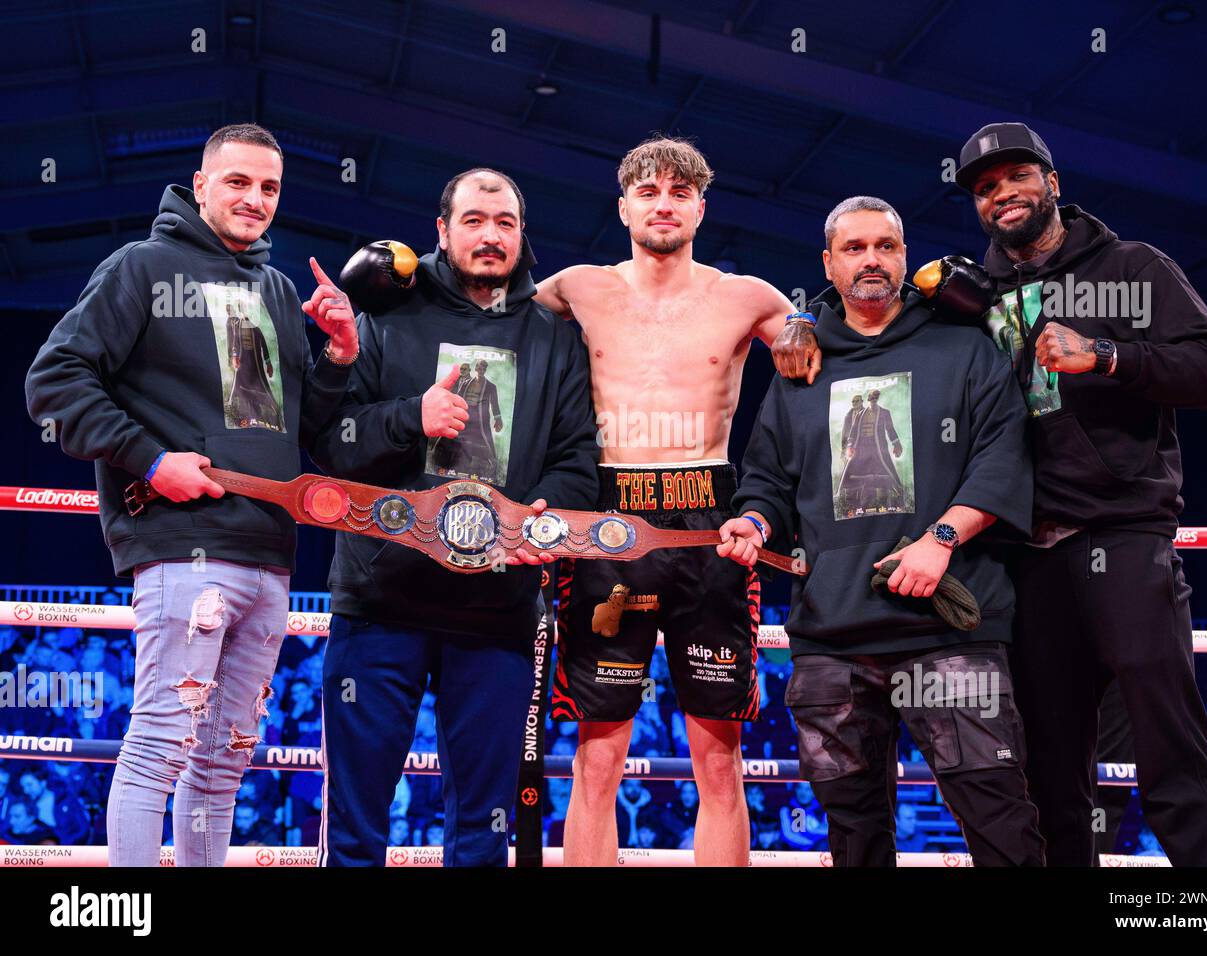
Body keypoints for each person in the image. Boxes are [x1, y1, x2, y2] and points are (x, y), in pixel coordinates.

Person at [25, 123, 358, 866]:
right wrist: (148, 460)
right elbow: (51, 382)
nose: (255, 199)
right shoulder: (142, 267)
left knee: (222, 764)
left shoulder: (275, 289)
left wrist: (335, 357)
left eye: (269, 187)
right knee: (158, 751)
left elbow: (304, 431)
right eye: (238, 182)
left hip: (270, 554)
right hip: (183, 547)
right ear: (200, 185)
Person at [718, 196, 1044, 866]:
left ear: (904, 255)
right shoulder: (799, 366)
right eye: (855, 247)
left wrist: (942, 540)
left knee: (999, 817)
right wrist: (752, 524)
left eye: (886, 246)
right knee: (855, 837)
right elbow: (768, 478)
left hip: (948, 628)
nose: (871, 259)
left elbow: (1003, 453)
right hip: (832, 638)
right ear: (828, 264)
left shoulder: (963, 347)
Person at [956, 121, 1207, 866]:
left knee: (1171, 747)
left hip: (1122, 539)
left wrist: (1110, 356)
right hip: (1025, 557)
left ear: (1052, 184)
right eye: (986, 188)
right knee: (1050, 770)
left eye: (1017, 177)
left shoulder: (1132, 267)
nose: (1002, 195)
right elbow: (867, 303)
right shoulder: (972, 295)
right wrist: (800, 318)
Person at [534, 135, 820, 867]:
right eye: (649, 192)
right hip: (607, 526)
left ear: (701, 206)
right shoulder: (578, 287)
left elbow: (825, 347)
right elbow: (488, 328)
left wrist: (806, 330)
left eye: (679, 192)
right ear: (624, 205)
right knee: (597, 760)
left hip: (712, 531)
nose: (664, 205)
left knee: (717, 762)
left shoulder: (748, 296)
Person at [309, 167, 599, 867]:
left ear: (522, 235)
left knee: (484, 832)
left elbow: (578, 461)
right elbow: (330, 447)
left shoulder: (554, 337)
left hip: (497, 612)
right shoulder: (384, 314)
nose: (491, 236)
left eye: (505, 223)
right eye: (474, 221)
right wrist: (413, 417)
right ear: (442, 230)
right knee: (354, 825)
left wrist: (537, 519)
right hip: (381, 603)